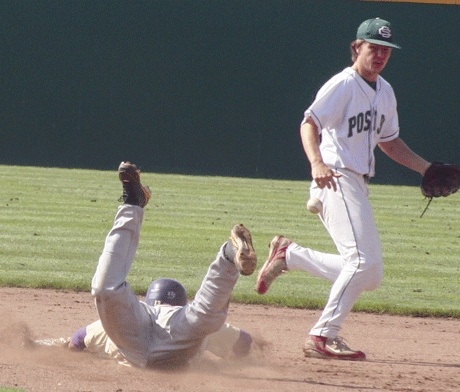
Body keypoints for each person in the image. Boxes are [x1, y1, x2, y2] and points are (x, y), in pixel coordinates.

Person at [256, 18, 432, 360]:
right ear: (357, 47)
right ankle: (323, 335)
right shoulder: (343, 85)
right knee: (362, 262)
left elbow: (390, 142)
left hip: (356, 182)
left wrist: (426, 169)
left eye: (386, 50)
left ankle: (288, 255)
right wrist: (317, 164)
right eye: (373, 48)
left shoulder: (385, 91)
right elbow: (309, 122)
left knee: (371, 274)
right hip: (335, 177)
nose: (380, 55)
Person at [65, 161, 258, 368]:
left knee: (105, 290)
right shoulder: (189, 319)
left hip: (134, 337)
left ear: (148, 301)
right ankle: (229, 255)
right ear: (181, 304)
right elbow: (244, 343)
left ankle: (132, 204)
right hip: (178, 335)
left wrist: (48, 344)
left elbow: (76, 341)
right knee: (205, 315)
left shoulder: (111, 325)